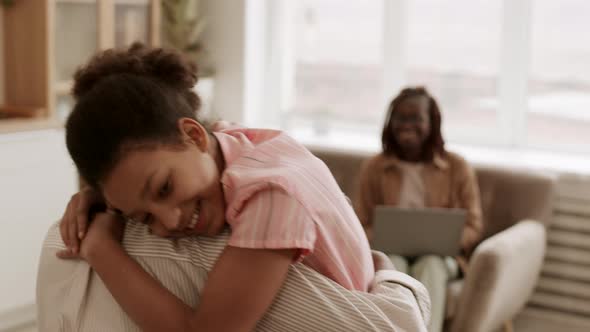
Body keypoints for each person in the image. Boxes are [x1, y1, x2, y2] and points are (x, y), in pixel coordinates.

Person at [56, 43, 374, 331]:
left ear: (194, 135)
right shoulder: (233, 142)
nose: (169, 222)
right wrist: (97, 197)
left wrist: (101, 249)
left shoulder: (272, 195)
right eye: (144, 218)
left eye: (164, 189)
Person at [38, 220, 431, 331]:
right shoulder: (235, 245)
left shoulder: (61, 234)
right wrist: (386, 270)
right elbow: (399, 327)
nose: (171, 220)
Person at [354, 87, 483, 332]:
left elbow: (474, 226)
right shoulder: (373, 167)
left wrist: (446, 240)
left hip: (441, 256)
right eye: (400, 117)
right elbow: (360, 222)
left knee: (431, 263)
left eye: (416, 118)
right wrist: (380, 236)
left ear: (431, 123)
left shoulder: (457, 167)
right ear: (390, 122)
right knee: (392, 267)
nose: (407, 124)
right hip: (390, 250)